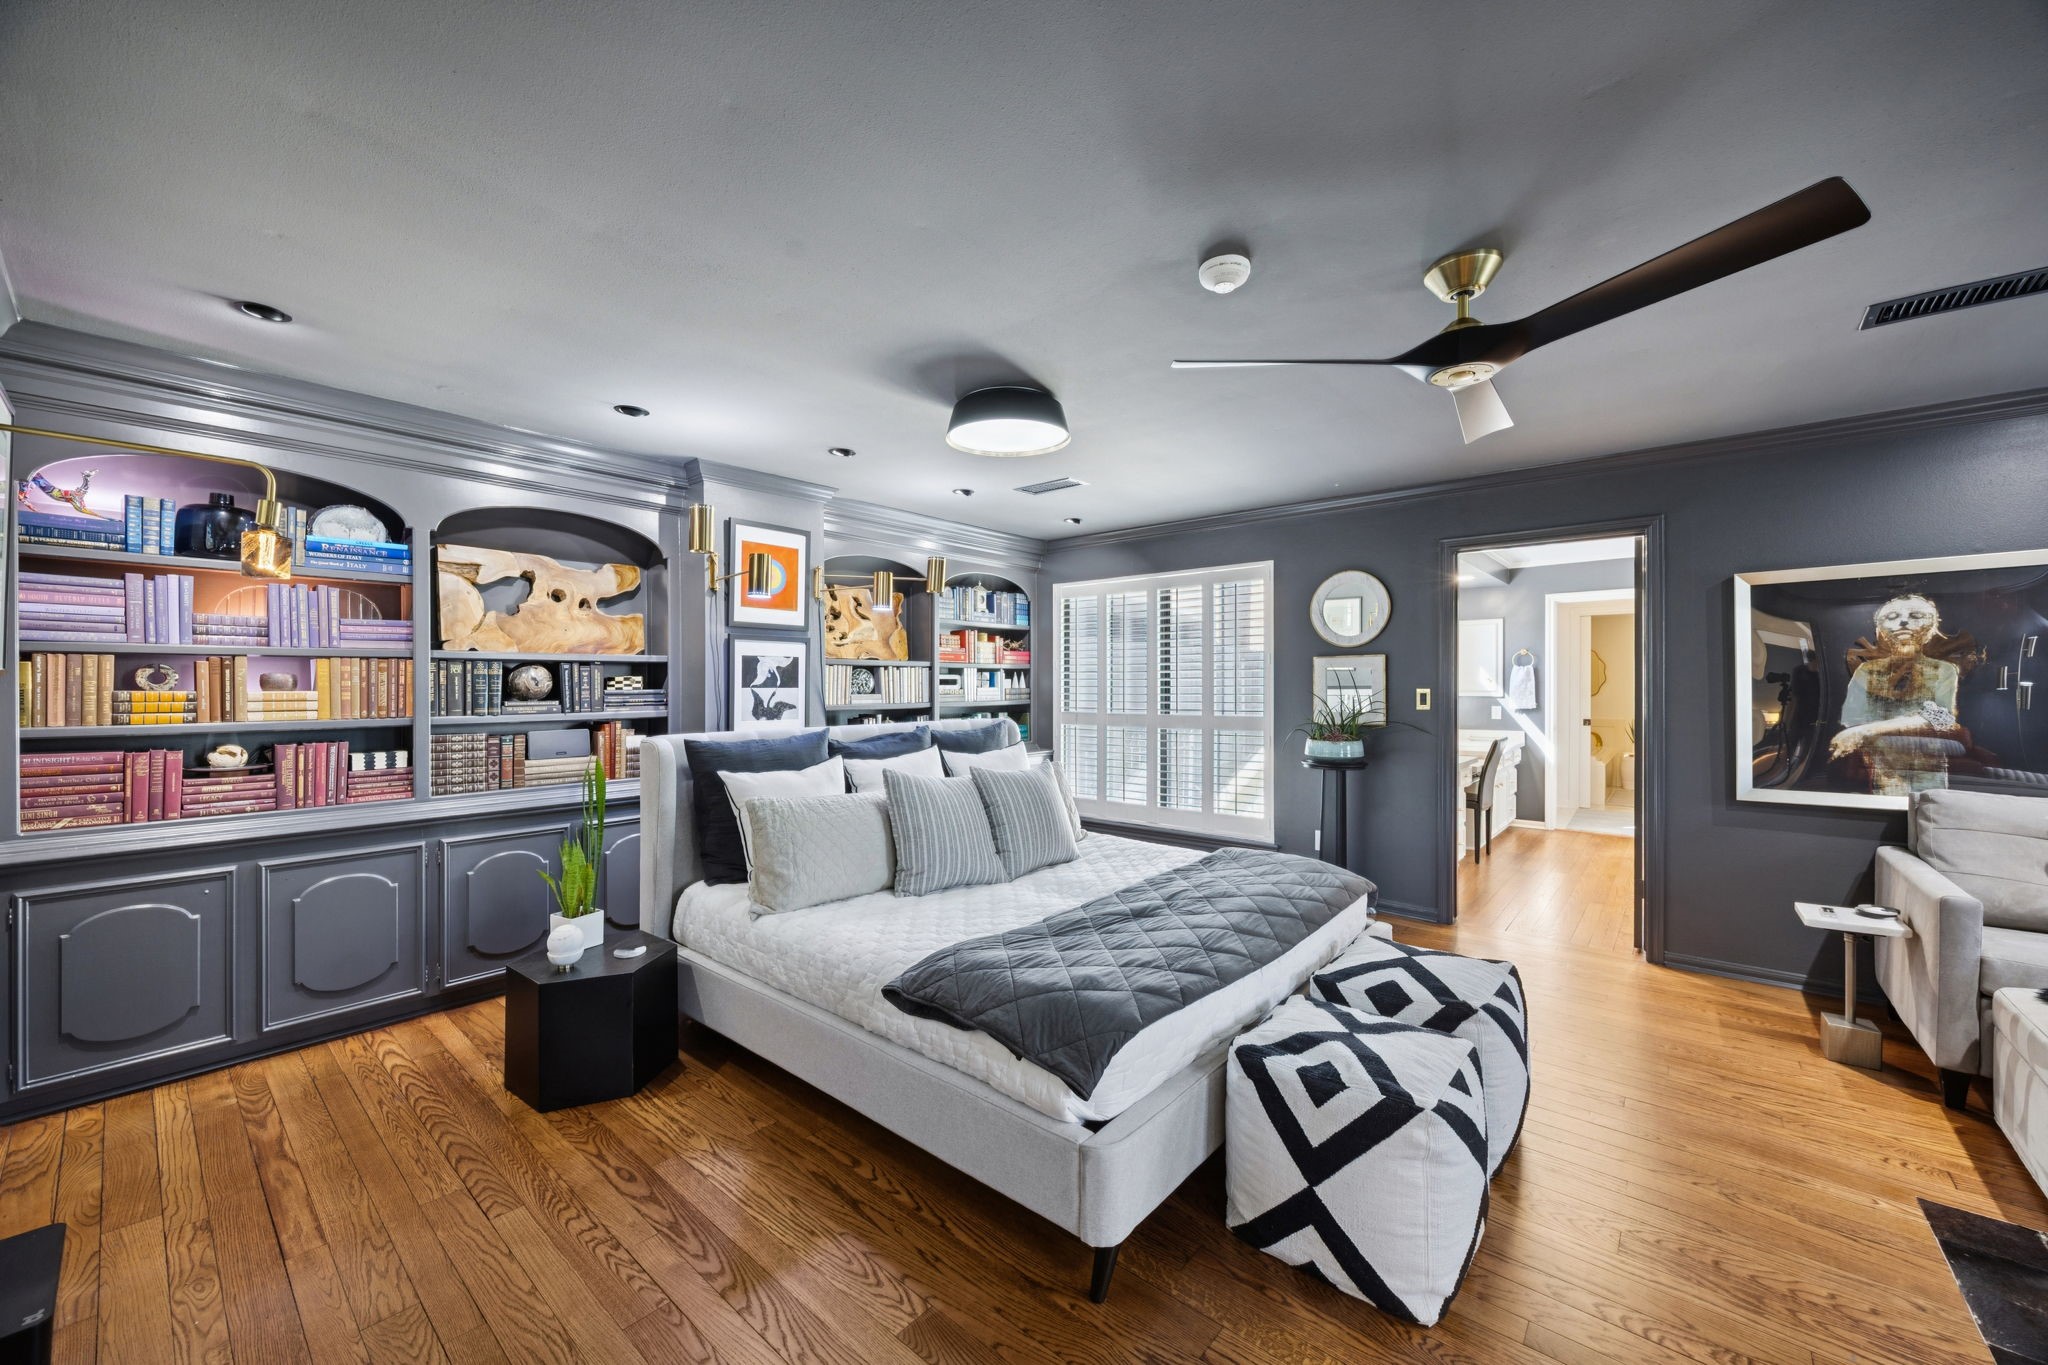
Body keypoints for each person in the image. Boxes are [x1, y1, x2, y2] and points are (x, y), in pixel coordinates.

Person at [1828, 593, 1966, 796]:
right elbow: (1853, 719)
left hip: (1928, 761)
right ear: (1882, 630)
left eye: (1915, 615)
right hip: (1884, 761)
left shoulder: (1942, 669)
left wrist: (1867, 731)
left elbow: (1942, 717)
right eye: (1892, 617)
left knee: (1928, 807)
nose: (1903, 622)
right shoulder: (1867, 671)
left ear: (1930, 626)